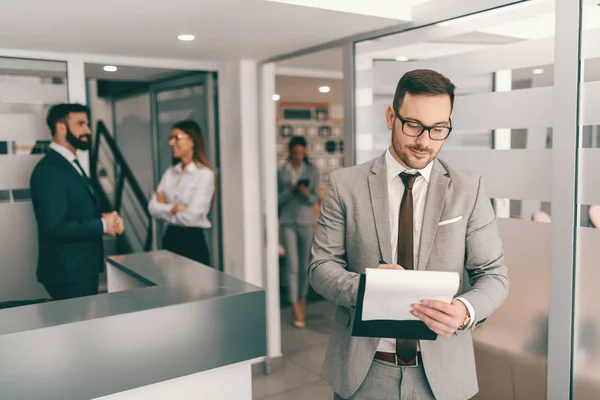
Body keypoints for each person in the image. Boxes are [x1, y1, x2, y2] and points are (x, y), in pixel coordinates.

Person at [309, 69, 509, 400]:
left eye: (439, 129)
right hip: (364, 372)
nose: (424, 141)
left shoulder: (469, 189)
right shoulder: (344, 185)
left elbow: (494, 275)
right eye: (413, 125)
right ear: (391, 116)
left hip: (442, 377)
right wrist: (368, 289)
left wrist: (464, 311)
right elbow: (320, 268)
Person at [30, 103, 124, 301]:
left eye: (87, 124)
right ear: (61, 128)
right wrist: (101, 225)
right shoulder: (49, 170)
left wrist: (104, 218)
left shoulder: (69, 163)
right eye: (81, 124)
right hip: (67, 273)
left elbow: (75, 210)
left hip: (78, 270)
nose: (88, 131)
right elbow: (55, 227)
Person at [148, 120, 215, 266]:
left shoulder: (204, 174)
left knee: (194, 288)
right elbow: (152, 208)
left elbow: (191, 217)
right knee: (170, 286)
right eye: (171, 139)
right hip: (170, 239)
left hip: (192, 244)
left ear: (191, 141)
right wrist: (173, 208)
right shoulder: (170, 173)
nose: (171, 143)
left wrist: (164, 208)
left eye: (176, 138)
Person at [278, 136, 320, 328]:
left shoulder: (312, 171)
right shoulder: (282, 171)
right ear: (290, 152)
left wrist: (304, 193)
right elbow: (276, 200)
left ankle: (302, 301)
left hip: (305, 221)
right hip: (287, 222)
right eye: (295, 153)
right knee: (292, 267)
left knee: (305, 267)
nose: (298, 157)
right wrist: (291, 190)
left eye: (302, 153)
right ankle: (296, 307)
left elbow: (313, 201)